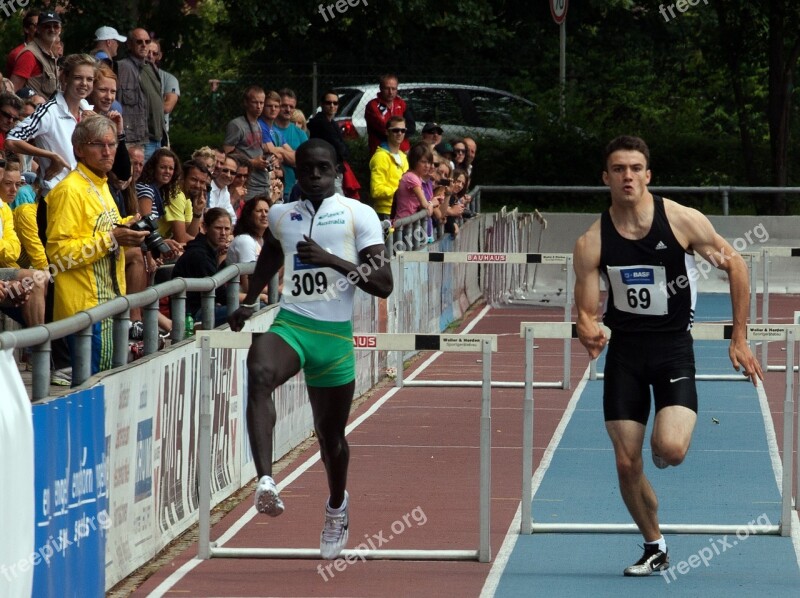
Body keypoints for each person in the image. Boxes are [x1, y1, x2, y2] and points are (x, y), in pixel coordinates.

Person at [572, 135, 763, 577]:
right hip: (625, 354)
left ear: (648, 175)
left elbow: (736, 264)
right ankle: (654, 545)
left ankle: (655, 452)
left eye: (635, 168)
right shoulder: (592, 240)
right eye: (618, 169)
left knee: (670, 450)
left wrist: (739, 336)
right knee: (625, 461)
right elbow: (585, 309)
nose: (627, 176)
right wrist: (586, 327)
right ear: (606, 178)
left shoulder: (679, 220)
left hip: (674, 350)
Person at [228, 139, 392, 560]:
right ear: (295, 172)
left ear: (336, 170)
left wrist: (330, 260)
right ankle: (266, 480)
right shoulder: (283, 215)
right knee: (260, 368)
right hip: (293, 324)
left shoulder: (360, 215)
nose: (314, 176)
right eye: (306, 170)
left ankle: (337, 505)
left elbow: (383, 282)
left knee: (330, 438)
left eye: (323, 169)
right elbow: (270, 258)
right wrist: (249, 303)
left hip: (334, 338)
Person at [45, 116, 149, 376]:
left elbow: (102, 229)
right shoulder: (69, 190)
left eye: (112, 144)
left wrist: (128, 226)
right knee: (91, 390)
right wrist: (112, 239)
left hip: (110, 306)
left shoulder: (103, 185)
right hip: (84, 312)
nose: (107, 151)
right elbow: (58, 255)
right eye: (98, 144)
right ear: (79, 149)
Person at [171, 207, 231, 324]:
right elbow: (221, 295)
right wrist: (255, 297)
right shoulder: (199, 254)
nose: (223, 233)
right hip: (191, 316)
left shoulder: (213, 251)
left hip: (207, 307)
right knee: (248, 308)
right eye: (218, 228)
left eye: (227, 229)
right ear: (205, 227)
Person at [117, 28, 164, 158]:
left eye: (147, 41)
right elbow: (118, 102)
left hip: (157, 138)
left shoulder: (151, 66)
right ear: (129, 44)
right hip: (137, 140)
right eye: (139, 41)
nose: (144, 45)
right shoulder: (123, 67)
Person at [223, 86, 272, 199]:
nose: (259, 106)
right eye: (255, 102)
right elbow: (227, 154)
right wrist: (252, 162)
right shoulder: (236, 125)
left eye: (262, 103)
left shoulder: (259, 124)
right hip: (248, 183)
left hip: (263, 182)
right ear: (246, 102)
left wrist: (269, 159)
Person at [227, 196, 270, 300]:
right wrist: (278, 290)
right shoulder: (245, 240)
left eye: (267, 211)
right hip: (239, 301)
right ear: (249, 215)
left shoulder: (263, 241)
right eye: (259, 211)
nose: (264, 215)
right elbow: (248, 286)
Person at [9, 11, 61, 97]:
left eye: (56, 26)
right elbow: (12, 92)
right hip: (33, 109)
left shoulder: (50, 53)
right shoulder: (29, 55)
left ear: (60, 29)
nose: (52, 29)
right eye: (47, 26)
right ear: (39, 29)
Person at [368, 115, 408, 221]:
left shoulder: (403, 156)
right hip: (386, 212)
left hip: (402, 210)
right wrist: (400, 191)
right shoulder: (380, 157)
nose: (399, 133)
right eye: (395, 130)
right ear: (387, 132)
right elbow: (376, 190)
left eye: (403, 130)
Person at [364, 73, 414, 155]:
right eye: (387, 88)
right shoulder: (373, 106)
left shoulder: (401, 103)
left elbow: (411, 126)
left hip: (403, 150)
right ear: (380, 88)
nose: (390, 92)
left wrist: (397, 132)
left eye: (393, 89)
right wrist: (401, 131)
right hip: (382, 151)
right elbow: (383, 129)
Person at [392, 141, 434, 222]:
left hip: (409, 223)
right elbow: (425, 206)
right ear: (414, 161)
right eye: (423, 162)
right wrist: (432, 204)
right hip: (404, 223)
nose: (427, 166)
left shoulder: (415, 177)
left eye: (429, 162)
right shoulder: (411, 177)